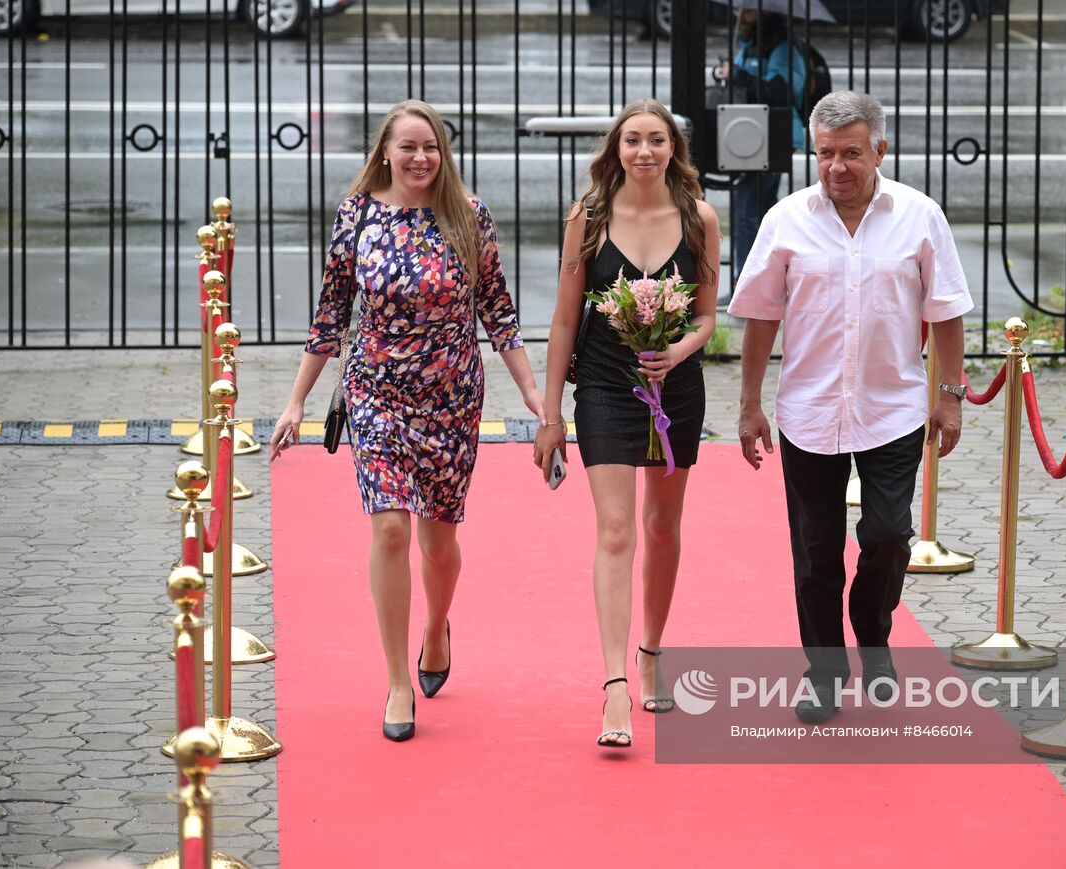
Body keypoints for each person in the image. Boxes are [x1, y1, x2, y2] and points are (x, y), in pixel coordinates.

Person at [270, 99, 544, 743]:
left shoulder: (467, 215)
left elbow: (498, 311)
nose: (421, 158)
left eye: (432, 147)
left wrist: (532, 389)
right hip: (375, 394)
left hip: (451, 398)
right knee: (390, 528)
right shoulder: (358, 214)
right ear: (385, 152)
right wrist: (296, 400)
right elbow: (330, 314)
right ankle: (398, 679)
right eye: (409, 147)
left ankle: (434, 626)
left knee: (438, 541)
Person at [729, 90, 973, 725]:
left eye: (852, 153)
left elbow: (945, 310)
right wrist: (750, 403)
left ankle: (874, 636)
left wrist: (951, 397)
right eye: (825, 154)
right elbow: (759, 316)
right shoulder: (785, 220)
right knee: (815, 550)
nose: (837, 167)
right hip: (808, 411)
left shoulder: (920, 217)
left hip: (892, 407)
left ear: (881, 151)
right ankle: (825, 670)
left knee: (888, 536)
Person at [534, 99, 721, 748]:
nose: (644, 151)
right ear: (616, 149)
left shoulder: (699, 218)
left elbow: (706, 316)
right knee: (616, 529)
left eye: (656, 140)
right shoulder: (587, 217)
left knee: (662, 526)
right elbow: (564, 318)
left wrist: (678, 351)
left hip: (676, 388)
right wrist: (550, 412)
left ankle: (651, 650)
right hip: (608, 387)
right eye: (632, 140)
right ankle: (614, 684)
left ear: (674, 150)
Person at [714, 9, 808, 282]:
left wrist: (739, 75)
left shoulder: (782, 47)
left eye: (749, 9)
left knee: (747, 210)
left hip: (770, 136)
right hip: (748, 136)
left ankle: (745, 283)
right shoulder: (750, 43)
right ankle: (769, 280)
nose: (740, 14)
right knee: (763, 210)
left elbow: (782, 91)